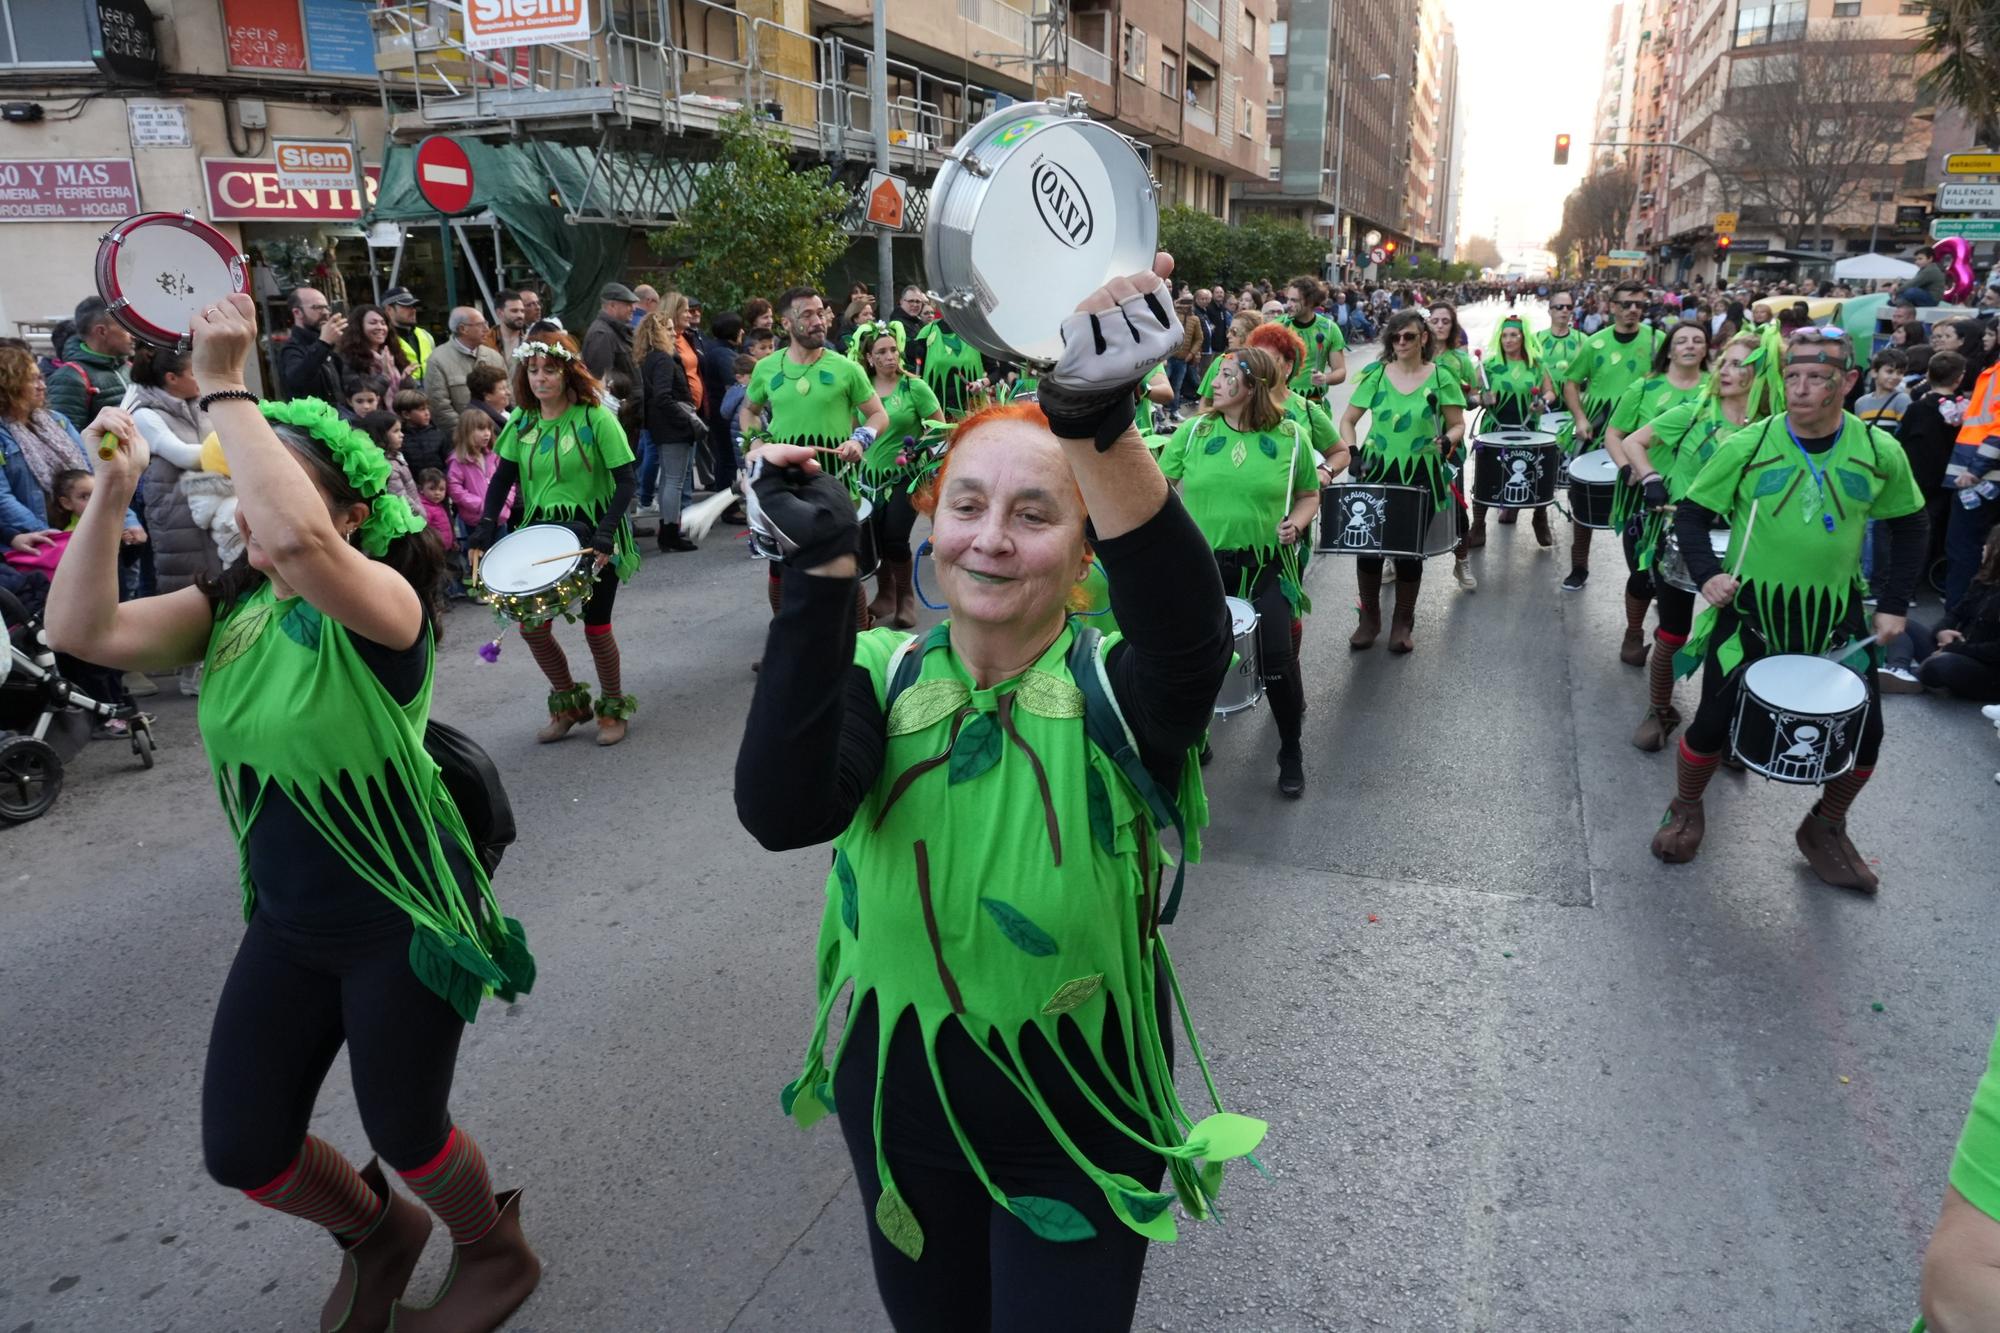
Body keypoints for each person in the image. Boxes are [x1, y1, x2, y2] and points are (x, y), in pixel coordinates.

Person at [735, 255, 1262, 1333]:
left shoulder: (1117, 690)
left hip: (1081, 1112)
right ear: (928, 529)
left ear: (1082, 553)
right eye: (965, 505)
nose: (989, 536)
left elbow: (1190, 635)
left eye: (1034, 513)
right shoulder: (880, 675)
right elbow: (781, 811)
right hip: (898, 1106)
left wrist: (1092, 428)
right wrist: (821, 582)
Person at [45, 293, 540, 1333]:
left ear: (348, 517)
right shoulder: (230, 610)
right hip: (289, 923)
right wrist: (115, 490)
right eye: (238, 503)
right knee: (246, 1149)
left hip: (404, 917)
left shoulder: (384, 612)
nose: (244, 519)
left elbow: (302, 544)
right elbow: (80, 626)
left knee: (411, 1130)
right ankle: (376, 1232)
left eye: (266, 501)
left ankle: (492, 1247)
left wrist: (228, 387)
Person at [1650, 327, 1928, 893]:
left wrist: (1894, 603)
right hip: (1751, 615)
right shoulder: (1747, 445)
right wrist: (1709, 576)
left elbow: (1911, 523)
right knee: (1710, 724)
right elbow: (1692, 515)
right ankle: (1685, 808)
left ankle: (1825, 826)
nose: (1800, 390)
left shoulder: (1880, 451)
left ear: (1847, 382)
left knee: (1866, 735)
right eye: (1793, 377)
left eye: (1817, 378)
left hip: (1837, 620)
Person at [1159, 344, 1329, 795]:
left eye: (1224, 375)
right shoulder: (1193, 433)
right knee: (1193, 664)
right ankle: (1196, 740)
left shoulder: (1292, 436)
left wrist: (1296, 521)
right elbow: (1160, 492)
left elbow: (1310, 494)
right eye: (1215, 374)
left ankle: (1290, 747)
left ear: (1251, 385)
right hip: (1202, 571)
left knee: (1277, 661)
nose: (1211, 382)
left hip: (1266, 567)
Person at [465, 332, 638, 744]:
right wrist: (487, 523)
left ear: (568, 373)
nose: (540, 378)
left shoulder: (596, 418)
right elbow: (502, 477)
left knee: (596, 629)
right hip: (540, 532)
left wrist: (606, 533)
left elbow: (627, 481)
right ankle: (569, 703)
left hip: (594, 530)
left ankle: (612, 710)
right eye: (533, 371)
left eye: (550, 371)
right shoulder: (522, 421)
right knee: (533, 629)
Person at [1613, 333, 1764, 750]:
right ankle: (1660, 709)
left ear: (1762, 374)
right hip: (1685, 534)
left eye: (1741, 365)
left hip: (1743, 544)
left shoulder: (1773, 426)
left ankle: (1728, 724)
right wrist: (1651, 478)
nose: (1728, 371)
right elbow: (1632, 441)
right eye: (1726, 362)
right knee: (1672, 633)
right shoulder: (1695, 411)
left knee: (1738, 638)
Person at [740, 287, 888, 641]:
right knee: (781, 569)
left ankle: (858, 650)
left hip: (835, 487)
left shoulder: (846, 369)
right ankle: (789, 642)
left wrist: (860, 439)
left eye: (820, 312)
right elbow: (748, 410)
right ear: (786, 322)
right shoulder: (765, 368)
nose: (817, 320)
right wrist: (755, 443)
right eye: (807, 314)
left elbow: (878, 415)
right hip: (786, 486)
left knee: (846, 570)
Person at [1337, 309, 1468, 653]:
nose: (1401, 342)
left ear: (1424, 338)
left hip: (1421, 473)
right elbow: (1348, 420)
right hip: (1376, 470)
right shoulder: (1376, 375)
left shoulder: (1441, 377)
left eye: (1408, 336)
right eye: (1395, 337)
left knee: (1409, 551)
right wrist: (1353, 451)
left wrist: (1449, 440)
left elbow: (1457, 424)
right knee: (1368, 547)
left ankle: (1402, 621)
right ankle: (1369, 619)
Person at [1602, 323, 1713, 667]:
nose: (1690, 346)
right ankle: (1634, 631)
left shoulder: (1716, 389)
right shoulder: (1645, 387)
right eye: (1682, 340)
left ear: (1707, 349)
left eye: (1698, 340)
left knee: (1684, 577)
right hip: (1647, 498)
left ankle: (1669, 637)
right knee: (1643, 573)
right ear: (1669, 349)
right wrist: (1627, 468)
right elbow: (1614, 434)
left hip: (1698, 500)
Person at [121, 342, 222, 687]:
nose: (200, 378)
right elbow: (181, 454)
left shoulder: (200, 403)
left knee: (220, 579)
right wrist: (233, 450)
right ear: (171, 378)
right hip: (174, 507)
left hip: (210, 502)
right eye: (194, 371)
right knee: (185, 582)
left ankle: (218, 662)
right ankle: (190, 671)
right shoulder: (144, 413)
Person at [1561, 281, 1668, 592]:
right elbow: (1571, 382)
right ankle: (1579, 566)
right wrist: (1580, 418)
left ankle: (1650, 574)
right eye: (1626, 303)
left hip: (1643, 430)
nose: (1633, 309)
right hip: (1599, 427)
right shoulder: (1595, 343)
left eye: (1639, 304)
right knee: (1584, 502)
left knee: (1650, 503)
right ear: (1611, 307)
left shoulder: (1658, 341)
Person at [852, 320, 943, 629]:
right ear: (869, 358)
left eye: (893, 349)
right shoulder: (862, 389)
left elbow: (939, 428)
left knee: (894, 537)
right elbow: (852, 429)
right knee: (873, 539)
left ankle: (905, 597)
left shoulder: (914, 386)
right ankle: (886, 592)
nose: (890, 356)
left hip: (906, 477)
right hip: (869, 478)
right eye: (881, 351)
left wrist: (918, 448)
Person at [1467, 315, 1559, 549]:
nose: (1508, 340)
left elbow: (1550, 393)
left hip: (1528, 429)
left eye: (1514, 335)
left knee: (1537, 474)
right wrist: (1481, 399)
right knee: (1486, 477)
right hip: (1493, 429)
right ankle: (1478, 525)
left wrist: (1542, 403)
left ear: (1523, 338)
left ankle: (1540, 518)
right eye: (1505, 335)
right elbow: (1470, 396)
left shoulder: (1536, 365)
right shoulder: (1488, 366)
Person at [1882, 527, 2000, 699]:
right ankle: (1899, 670)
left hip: (1983, 668)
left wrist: (1954, 649)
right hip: (1957, 649)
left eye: (1989, 544)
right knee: (1900, 624)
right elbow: (1955, 614)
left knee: (1942, 665)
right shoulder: (1983, 582)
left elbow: (1995, 652)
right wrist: (1941, 632)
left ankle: (1923, 674)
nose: (1983, 547)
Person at [635, 297, 706, 553]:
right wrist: (685, 418)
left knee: (669, 480)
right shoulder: (663, 359)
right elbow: (663, 396)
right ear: (656, 333)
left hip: (662, 427)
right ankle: (669, 533)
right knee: (674, 481)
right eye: (666, 329)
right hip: (673, 428)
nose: (671, 332)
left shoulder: (649, 359)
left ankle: (668, 531)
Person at [47, 296, 135, 430]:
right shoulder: (68, 378)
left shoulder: (127, 367)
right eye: (125, 327)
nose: (133, 335)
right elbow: (66, 441)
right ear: (102, 331)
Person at [423, 309, 506, 438]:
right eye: (481, 324)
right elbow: (440, 407)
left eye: (486, 323)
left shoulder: (493, 356)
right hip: (464, 442)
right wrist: (470, 435)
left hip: (502, 436)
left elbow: (509, 398)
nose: (487, 329)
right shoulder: (438, 360)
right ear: (463, 329)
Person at [1279, 274, 1347, 401]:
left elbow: (1340, 371)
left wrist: (1325, 378)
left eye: (1294, 300)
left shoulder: (1330, 329)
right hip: (1281, 403)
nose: (1288, 304)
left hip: (1314, 405)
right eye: (1287, 299)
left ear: (1309, 302)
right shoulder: (1277, 327)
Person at [276, 288, 345, 404]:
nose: (326, 313)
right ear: (297, 312)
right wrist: (324, 343)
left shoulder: (326, 343)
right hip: (310, 420)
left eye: (326, 307)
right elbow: (297, 380)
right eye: (317, 307)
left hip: (336, 418)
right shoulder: (291, 349)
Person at [337, 305, 410, 407]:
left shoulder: (392, 353)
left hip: (399, 416)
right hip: (372, 419)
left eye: (383, 323)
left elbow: (408, 394)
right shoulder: (349, 358)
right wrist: (384, 376)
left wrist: (405, 380)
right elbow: (361, 397)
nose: (380, 327)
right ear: (359, 327)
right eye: (373, 323)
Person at [582, 283, 640, 386]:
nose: (633, 309)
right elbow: (601, 381)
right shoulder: (602, 335)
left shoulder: (614, 332)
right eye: (628, 304)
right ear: (612, 305)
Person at [380, 287, 434, 385]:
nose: (413, 310)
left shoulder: (426, 335)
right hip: (401, 397)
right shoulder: (382, 340)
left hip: (429, 396)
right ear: (389, 310)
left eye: (413, 306)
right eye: (406, 306)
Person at [395, 389, 448, 477]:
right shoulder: (400, 438)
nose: (427, 413)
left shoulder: (438, 435)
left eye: (427, 408)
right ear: (406, 414)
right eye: (422, 409)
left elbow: (447, 463)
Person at [463, 364, 512, 433]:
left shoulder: (512, 412)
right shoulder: (476, 423)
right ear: (487, 395)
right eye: (502, 389)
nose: (509, 392)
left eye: (507, 387)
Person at [485, 291, 529, 363]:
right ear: (499, 313)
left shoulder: (531, 339)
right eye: (514, 311)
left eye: (522, 311)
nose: (520, 315)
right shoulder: (486, 341)